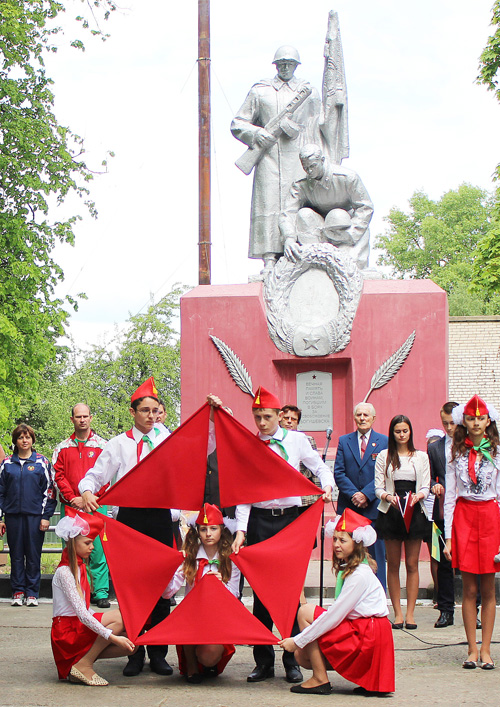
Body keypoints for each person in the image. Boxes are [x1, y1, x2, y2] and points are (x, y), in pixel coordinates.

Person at [209, 386, 334, 684]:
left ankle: (290, 658)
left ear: (280, 415)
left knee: (289, 591)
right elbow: (244, 494)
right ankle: (263, 660)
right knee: (261, 592)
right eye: (257, 417)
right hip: (261, 523)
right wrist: (241, 531)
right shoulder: (250, 445)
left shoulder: (297, 440)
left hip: (290, 522)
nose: (262, 422)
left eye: (266, 416)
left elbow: (319, 466)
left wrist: (327, 486)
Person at [79, 377, 173, 677]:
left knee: (160, 588)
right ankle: (134, 652)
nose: (150, 416)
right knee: (132, 589)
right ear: (133, 413)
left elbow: (200, 449)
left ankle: (159, 653)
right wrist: (86, 491)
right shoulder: (118, 444)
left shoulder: (168, 440)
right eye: (144, 410)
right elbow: (94, 476)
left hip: (160, 518)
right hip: (129, 521)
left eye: (155, 410)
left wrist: (216, 413)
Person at [278, 508, 395, 696]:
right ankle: (324, 675)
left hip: (367, 636)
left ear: (357, 543)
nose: (336, 545)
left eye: (343, 540)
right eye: (335, 539)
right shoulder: (354, 569)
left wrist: (298, 640)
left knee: (305, 612)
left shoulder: (359, 575)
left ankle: (320, 679)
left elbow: (335, 616)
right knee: (302, 655)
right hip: (366, 631)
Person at [231, 46, 322, 272]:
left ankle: (300, 252)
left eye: (290, 63)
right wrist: (256, 133)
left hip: (297, 158)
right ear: (275, 64)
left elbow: (318, 125)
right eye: (281, 62)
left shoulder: (307, 91)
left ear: (296, 65)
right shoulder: (260, 91)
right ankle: (269, 257)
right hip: (268, 157)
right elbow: (238, 123)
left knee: (295, 204)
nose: (285, 66)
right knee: (268, 204)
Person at [443, 395, 500, 669]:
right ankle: (472, 649)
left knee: (488, 589)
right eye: (470, 418)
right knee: (468, 588)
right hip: (464, 518)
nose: (476, 423)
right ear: (462, 422)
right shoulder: (455, 452)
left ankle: (487, 649)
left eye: (480, 418)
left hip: (490, 518)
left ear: (488, 421)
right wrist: (449, 537)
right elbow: (450, 497)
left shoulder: (498, 451)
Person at [51, 509, 135, 685]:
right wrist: (113, 637)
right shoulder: (65, 572)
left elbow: (85, 610)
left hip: (75, 625)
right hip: (66, 631)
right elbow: (82, 614)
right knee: (119, 622)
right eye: (88, 543)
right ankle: (84, 664)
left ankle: (79, 660)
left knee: (132, 642)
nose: (92, 547)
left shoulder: (80, 567)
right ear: (73, 542)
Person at [162, 503, 240, 684]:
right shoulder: (190, 556)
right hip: (193, 616)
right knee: (186, 615)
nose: (208, 534)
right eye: (203, 529)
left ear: (222, 530)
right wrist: (166, 571)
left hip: (218, 615)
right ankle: (191, 665)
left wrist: (220, 584)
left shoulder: (230, 559)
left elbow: (234, 596)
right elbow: (168, 593)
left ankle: (205, 660)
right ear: (197, 531)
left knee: (209, 656)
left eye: (213, 528)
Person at [375, 415, 431, 629]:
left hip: (414, 509)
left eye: (405, 431)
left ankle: (410, 614)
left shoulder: (421, 456)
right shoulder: (384, 456)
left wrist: (419, 496)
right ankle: (397, 612)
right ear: (392, 433)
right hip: (391, 509)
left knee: (412, 563)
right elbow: (378, 487)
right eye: (397, 431)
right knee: (394, 563)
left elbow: (425, 486)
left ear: (410, 432)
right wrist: (388, 497)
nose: (401, 434)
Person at [279, 144, 374, 269]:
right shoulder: (300, 184)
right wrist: (289, 238)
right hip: (318, 230)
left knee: (337, 216)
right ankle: (315, 262)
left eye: (313, 166)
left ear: (322, 160)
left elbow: (365, 207)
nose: (310, 171)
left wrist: (351, 233)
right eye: (306, 168)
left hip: (344, 227)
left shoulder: (348, 177)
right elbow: (288, 212)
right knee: (304, 214)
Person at [52, 404, 109, 608]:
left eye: (85, 416)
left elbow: (107, 477)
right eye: (78, 416)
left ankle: (100, 592)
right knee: (71, 549)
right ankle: (74, 589)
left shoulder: (103, 445)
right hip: (71, 506)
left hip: (95, 505)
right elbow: (57, 476)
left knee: (97, 549)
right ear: (72, 419)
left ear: (91, 418)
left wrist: (90, 498)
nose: (82, 420)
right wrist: (73, 498)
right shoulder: (62, 447)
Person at [0, 424, 56, 607]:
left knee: (33, 555)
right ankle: (17, 591)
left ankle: (32, 593)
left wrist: (46, 516)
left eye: (28, 437)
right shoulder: (7, 464)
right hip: (13, 516)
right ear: (15, 441)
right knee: (16, 555)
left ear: (32, 440)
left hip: (35, 517)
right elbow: (1, 492)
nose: (24, 441)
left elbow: (49, 491)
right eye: (20, 438)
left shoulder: (42, 462)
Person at [334, 402, 388, 590]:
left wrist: (366, 494)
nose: (362, 418)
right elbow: (339, 473)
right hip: (349, 508)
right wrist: (354, 494)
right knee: (347, 555)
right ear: (354, 418)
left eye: (366, 415)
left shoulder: (384, 441)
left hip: (373, 509)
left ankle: (378, 598)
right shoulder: (344, 440)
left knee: (376, 556)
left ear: (373, 418)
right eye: (359, 415)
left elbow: (385, 473)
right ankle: (346, 598)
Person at [427, 402, 459, 628]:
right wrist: (433, 486)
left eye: (453, 423)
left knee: (468, 564)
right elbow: (427, 477)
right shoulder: (435, 448)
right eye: (445, 423)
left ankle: (473, 609)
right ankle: (446, 610)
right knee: (443, 562)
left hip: (466, 509)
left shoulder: (471, 446)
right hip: (441, 511)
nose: (449, 428)